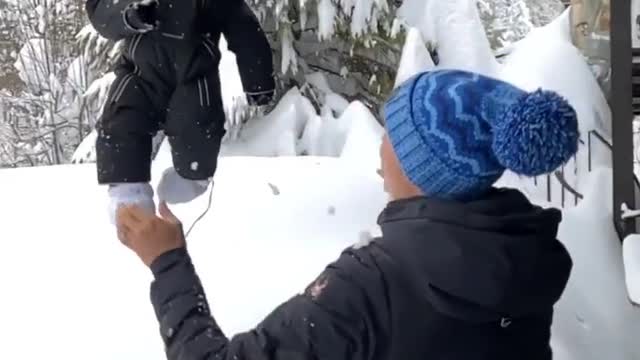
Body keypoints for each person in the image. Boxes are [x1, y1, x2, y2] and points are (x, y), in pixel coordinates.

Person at [116, 69, 579, 360]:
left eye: (393, 137)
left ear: (422, 166)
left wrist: (167, 262)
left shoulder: (372, 285)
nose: (380, 153)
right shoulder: (525, 260)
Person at [85, 0, 276, 224]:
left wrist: (258, 81)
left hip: (192, 74)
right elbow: (101, 12)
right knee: (123, 120)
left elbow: (245, 31)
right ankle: (129, 194)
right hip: (141, 73)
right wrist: (128, 16)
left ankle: (192, 177)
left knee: (197, 124)